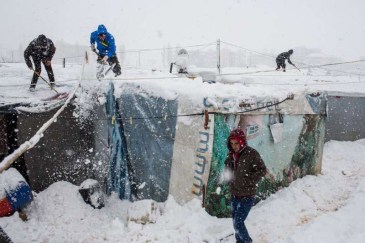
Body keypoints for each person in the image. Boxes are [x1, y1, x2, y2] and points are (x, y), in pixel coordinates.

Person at [224, 128, 267, 243]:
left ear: (242, 141)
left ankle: (247, 241)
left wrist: (247, 180)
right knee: (235, 222)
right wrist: (228, 179)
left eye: (236, 143)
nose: (234, 146)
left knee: (238, 222)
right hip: (234, 194)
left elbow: (262, 170)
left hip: (247, 195)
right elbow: (227, 171)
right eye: (232, 143)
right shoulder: (230, 156)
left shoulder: (251, 154)